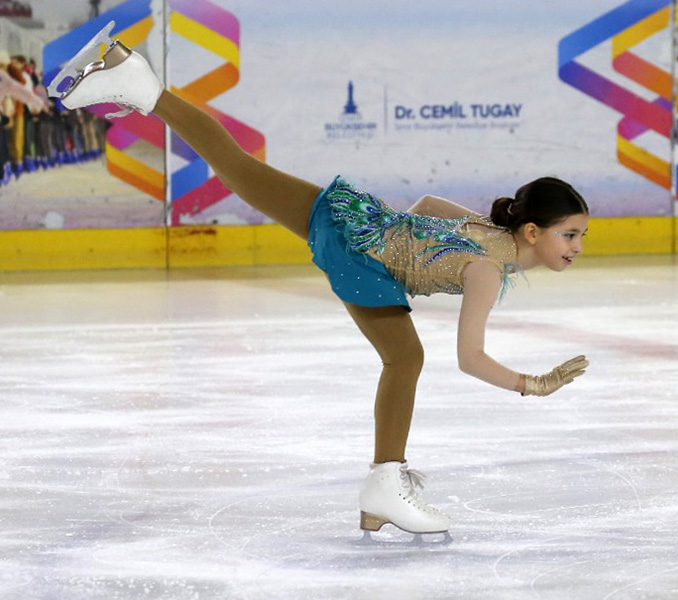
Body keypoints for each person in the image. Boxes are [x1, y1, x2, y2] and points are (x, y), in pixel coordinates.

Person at [52, 37, 590, 537]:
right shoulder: (488, 270)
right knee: (405, 358)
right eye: (568, 234)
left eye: (581, 235)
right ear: (531, 232)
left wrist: (402, 245)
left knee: (238, 168)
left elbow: (425, 206)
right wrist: (533, 384)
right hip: (360, 253)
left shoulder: (486, 232)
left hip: (357, 221)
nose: (576, 246)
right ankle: (384, 484)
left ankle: (136, 80)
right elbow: (470, 358)